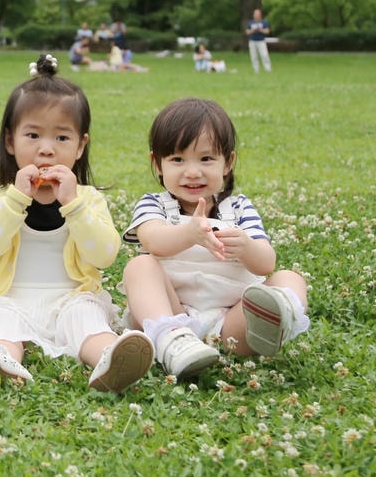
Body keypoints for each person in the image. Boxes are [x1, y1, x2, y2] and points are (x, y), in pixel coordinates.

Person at [0, 54, 154, 393]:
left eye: (62, 138)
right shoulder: (0, 198)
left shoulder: (86, 199)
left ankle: (109, 357)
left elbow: (104, 255)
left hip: (72, 297)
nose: (46, 150)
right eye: (32, 136)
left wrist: (73, 205)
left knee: (86, 318)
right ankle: (1, 359)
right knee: (0, 318)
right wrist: (16, 199)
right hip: (12, 297)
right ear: (10, 141)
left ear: (80, 146)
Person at [119, 98, 309, 380]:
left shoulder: (239, 207)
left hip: (230, 323)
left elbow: (265, 263)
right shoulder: (153, 205)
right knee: (139, 267)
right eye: (177, 159)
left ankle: (276, 318)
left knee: (290, 278)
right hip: (173, 312)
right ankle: (172, 341)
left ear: (227, 162)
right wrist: (189, 233)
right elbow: (153, 241)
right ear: (157, 164)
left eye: (206, 159)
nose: (193, 171)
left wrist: (246, 247)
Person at [246, 8, 272, 73]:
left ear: (260, 15)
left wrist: (260, 30)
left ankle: (268, 69)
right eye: (255, 14)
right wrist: (253, 30)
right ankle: (256, 70)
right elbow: (247, 32)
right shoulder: (250, 22)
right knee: (254, 56)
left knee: (264, 55)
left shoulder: (264, 22)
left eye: (257, 14)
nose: (256, 15)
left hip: (261, 41)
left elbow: (267, 31)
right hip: (252, 41)